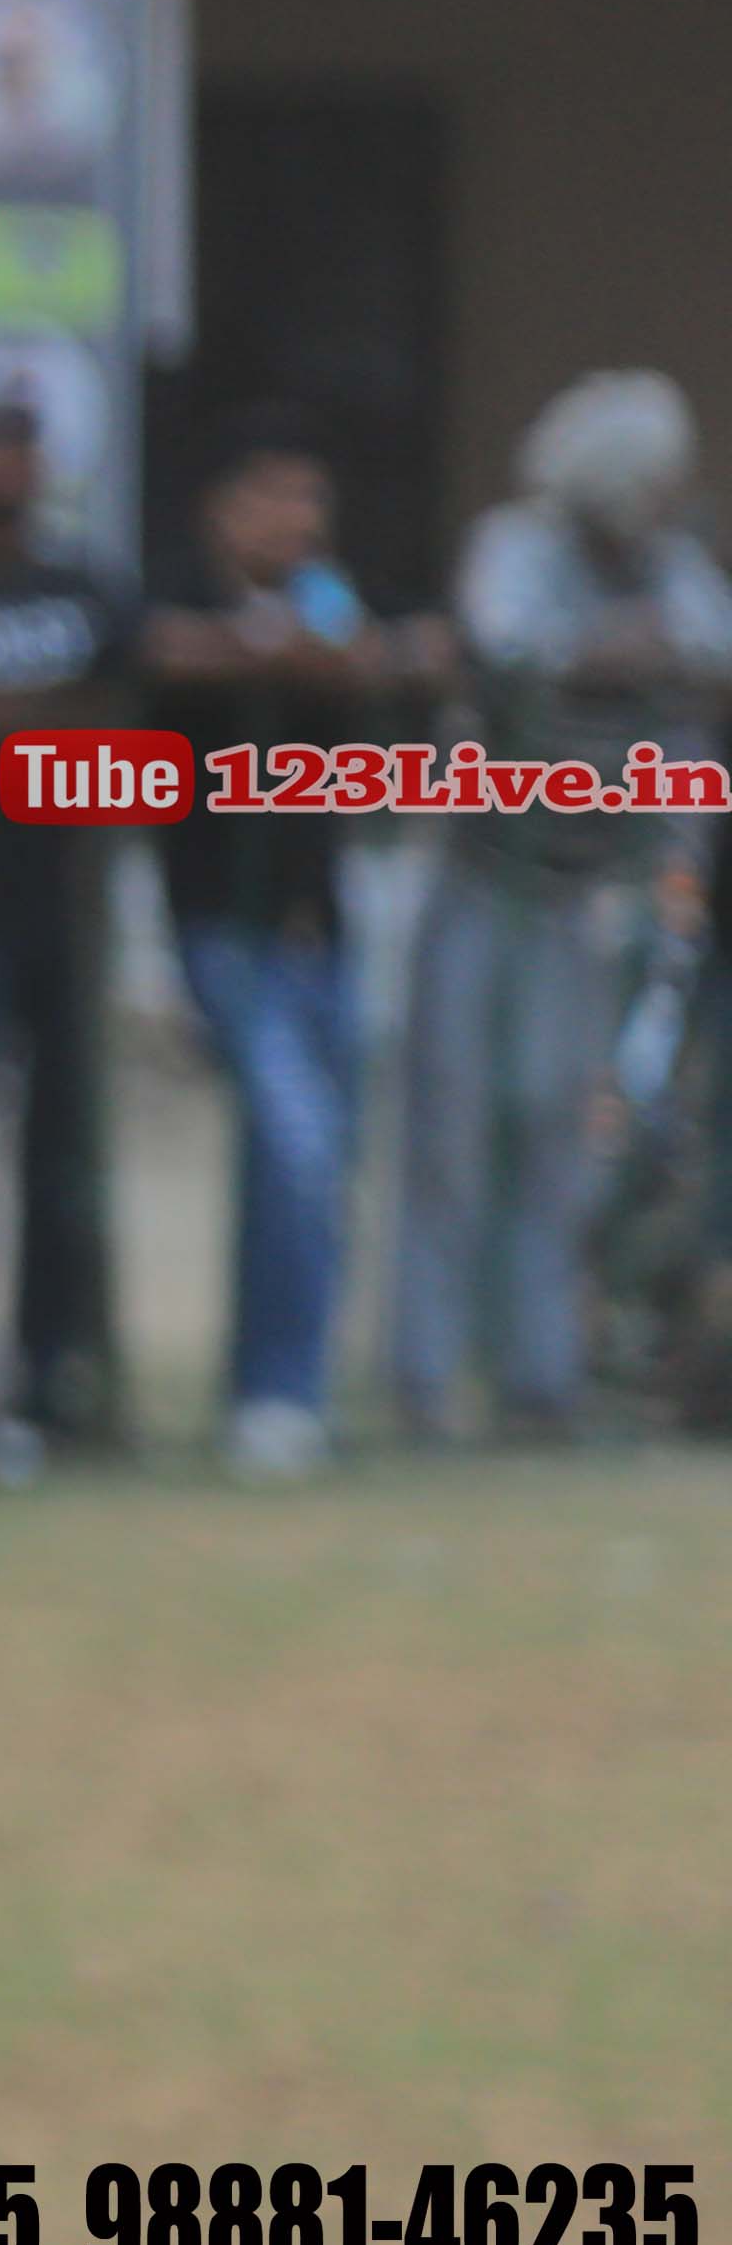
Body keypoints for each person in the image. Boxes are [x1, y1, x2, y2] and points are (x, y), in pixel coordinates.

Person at [396, 371, 732, 1443]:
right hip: (482, 878)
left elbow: (711, 645)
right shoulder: (518, 544)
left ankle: (539, 1380)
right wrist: (623, 648)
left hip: (582, 892)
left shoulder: (670, 564)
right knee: (451, 1131)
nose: (671, 498)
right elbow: (510, 644)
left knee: (556, 1130)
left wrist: (633, 647)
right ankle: (424, 1378)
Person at [136, 417, 419, 1475]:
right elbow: (152, 648)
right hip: (221, 922)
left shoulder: (328, 594)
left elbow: (383, 649)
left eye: (312, 501)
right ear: (224, 508)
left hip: (320, 927)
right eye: (276, 498)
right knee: (294, 1142)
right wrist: (257, 651)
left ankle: (287, 1383)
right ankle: (274, 1393)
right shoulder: (180, 588)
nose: (297, 522)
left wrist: (329, 651)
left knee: (314, 1161)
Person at [0, 388, 134, 1446]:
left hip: (65, 901)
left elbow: (124, 732)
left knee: (64, 1155)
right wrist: (10, 730)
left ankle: (58, 1375)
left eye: (20, 446)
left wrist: (3, 727)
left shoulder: (82, 586)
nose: (3, 466)